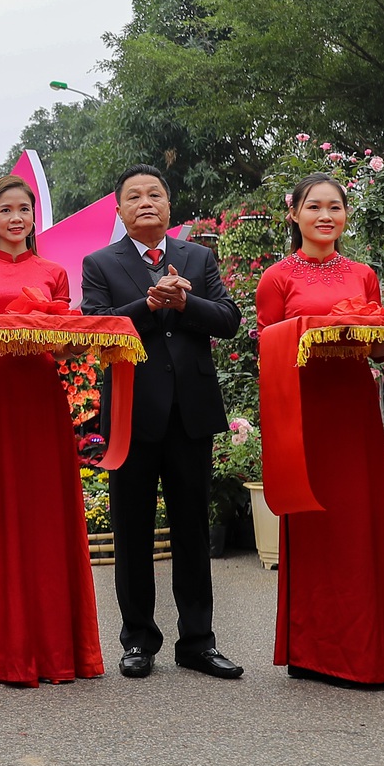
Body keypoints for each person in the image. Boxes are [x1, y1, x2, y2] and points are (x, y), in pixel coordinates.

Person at [82, 165, 242, 682]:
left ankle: (198, 641)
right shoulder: (100, 262)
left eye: (156, 194)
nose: (146, 202)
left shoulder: (197, 256)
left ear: (170, 207)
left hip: (190, 412)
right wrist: (150, 305)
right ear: (120, 210)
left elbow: (229, 319)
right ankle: (138, 640)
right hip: (132, 413)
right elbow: (97, 325)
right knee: (132, 530)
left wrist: (187, 301)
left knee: (193, 529)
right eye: (135, 196)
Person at [0, 175, 103, 687]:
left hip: (41, 395)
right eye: (6, 210)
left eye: (24, 210)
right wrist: (3, 327)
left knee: (46, 508)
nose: (16, 218)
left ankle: (59, 646)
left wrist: (73, 345)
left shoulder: (55, 272)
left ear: (34, 218)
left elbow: (61, 343)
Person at [253, 173, 384, 688]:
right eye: (313, 206)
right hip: (306, 409)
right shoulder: (276, 278)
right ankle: (311, 650)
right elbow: (268, 350)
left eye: (334, 207)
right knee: (314, 522)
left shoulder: (364, 274)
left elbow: (379, 349)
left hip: (353, 408)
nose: (325, 215)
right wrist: (310, 333)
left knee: (359, 524)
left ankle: (366, 653)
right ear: (293, 213)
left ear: (346, 215)